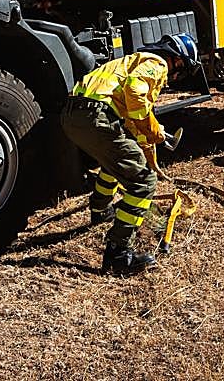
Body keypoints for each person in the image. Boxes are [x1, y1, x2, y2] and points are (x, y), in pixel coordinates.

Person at [60, 32, 198, 275]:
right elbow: (136, 94)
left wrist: (152, 152)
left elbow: (134, 126)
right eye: (180, 71)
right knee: (144, 183)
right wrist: (152, 128)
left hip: (73, 115)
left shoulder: (126, 63)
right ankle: (119, 253)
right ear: (177, 60)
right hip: (98, 117)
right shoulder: (157, 63)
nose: (174, 77)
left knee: (113, 163)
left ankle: (101, 210)